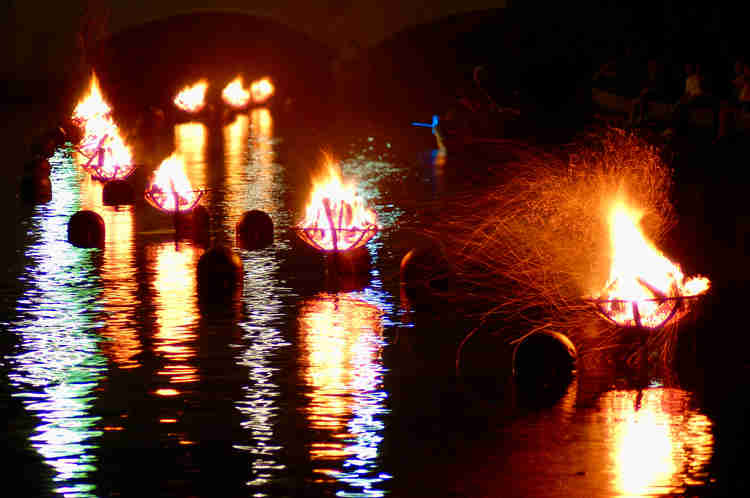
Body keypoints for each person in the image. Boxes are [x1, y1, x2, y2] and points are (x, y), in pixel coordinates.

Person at [663, 63, 716, 137]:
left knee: (685, 104)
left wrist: (700, 81)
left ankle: (674, 128)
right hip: (692, 99)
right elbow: (687, 93)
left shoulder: (702, 78)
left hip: (701, 98)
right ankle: (672, 128)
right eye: (686, 68)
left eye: (689, 68)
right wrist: (681, 100)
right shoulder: (689, 79)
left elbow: (704, 91)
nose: (687, 70)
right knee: (679, 106)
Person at [714, 59, 750, 143]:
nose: (737, 69)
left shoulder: (745, 80)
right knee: (723, 107)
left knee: (724, 109)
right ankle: (722, 134)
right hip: (740, 103)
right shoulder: (742, 79)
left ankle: (721, 135)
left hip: (745, 104)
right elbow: (735, 83)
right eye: (736, 67)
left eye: (739, 67)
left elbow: (738, 83)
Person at [629, 57, 668, 126]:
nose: (651, 67)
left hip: (655, 94)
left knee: (643, 97)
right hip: (647, 94)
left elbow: (659, 87)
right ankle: (631, 120)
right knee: (634, 102)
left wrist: (648, 90)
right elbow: (645, 86)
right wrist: (644, 90)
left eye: (653, 65)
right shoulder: (649, 75)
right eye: (650, 65)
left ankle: (641, 118)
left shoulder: (659, 76)